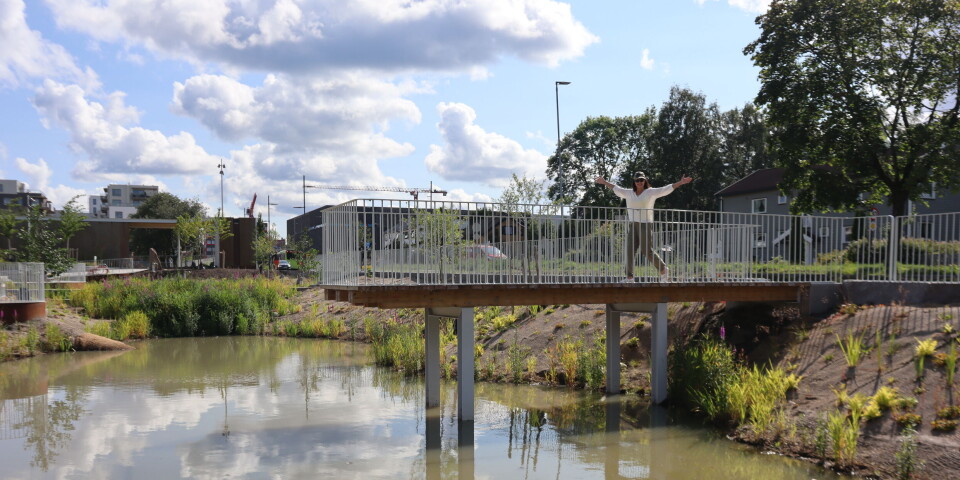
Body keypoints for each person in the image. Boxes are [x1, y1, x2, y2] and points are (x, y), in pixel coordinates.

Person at [594, 172, 693, 282]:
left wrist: (681, 182)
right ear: (634, 182)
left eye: (641, 180)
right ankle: (629, 277)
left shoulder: (650, 192)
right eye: (637, 180)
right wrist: (604, 182)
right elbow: (616, 188)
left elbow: (665, 189)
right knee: (630, 250)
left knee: (646, 251)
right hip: (633, 225)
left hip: (645, 224)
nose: (639, 182)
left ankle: (663, 269)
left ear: (645, 181)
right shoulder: (629, 193)